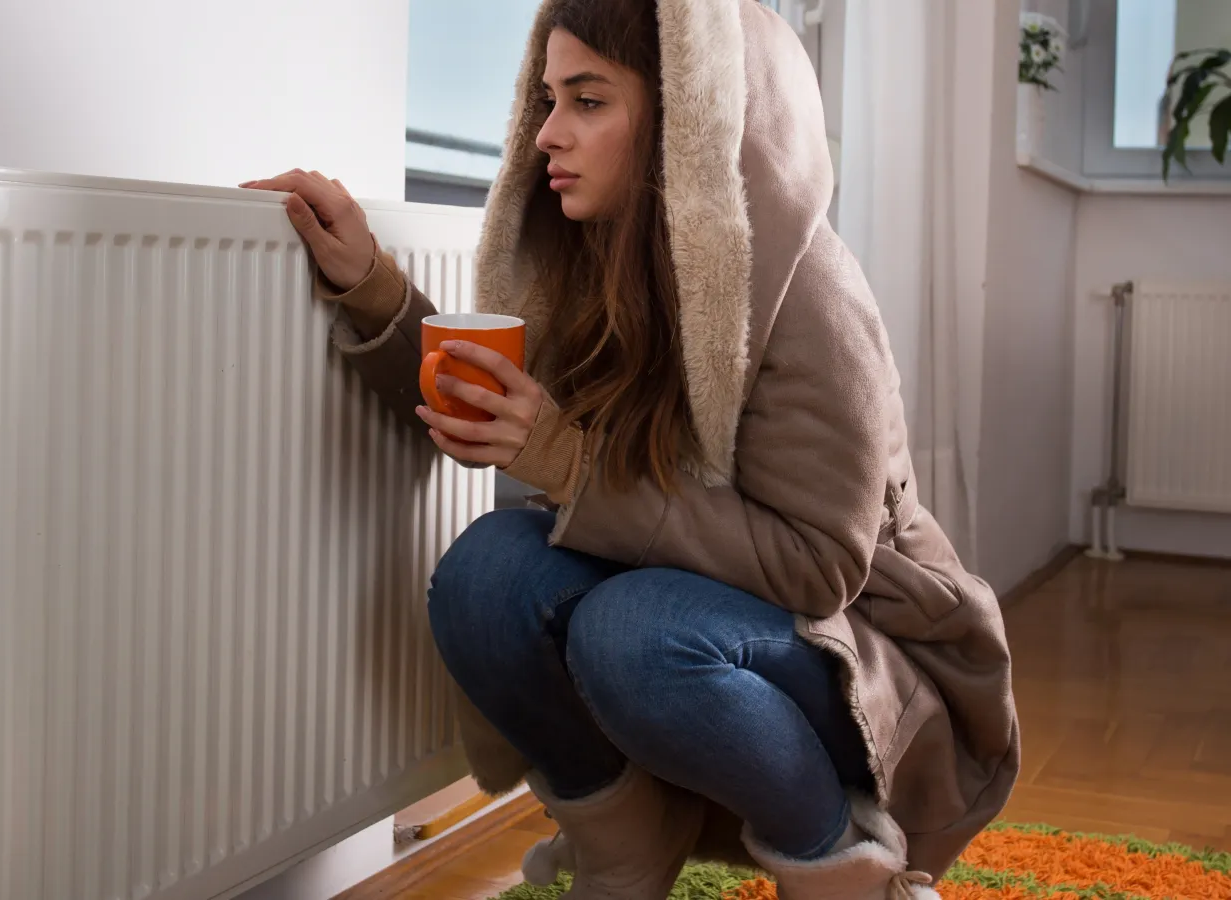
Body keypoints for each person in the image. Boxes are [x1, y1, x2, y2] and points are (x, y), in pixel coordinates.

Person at [242, 0, 1017, 897]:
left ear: (690, 118)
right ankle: (624, 848)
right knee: (487, 573)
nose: (546, 135)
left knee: (633, 629)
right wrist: (368, 283)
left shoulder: (813, 301)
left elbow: (817, 570)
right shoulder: (600, 262)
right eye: (546, 101)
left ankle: (843, 863)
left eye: (589, 101)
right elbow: (504, 416)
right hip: (697, 611)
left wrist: (569, 465)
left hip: (858, 653)